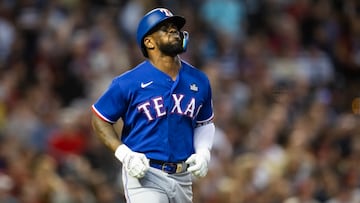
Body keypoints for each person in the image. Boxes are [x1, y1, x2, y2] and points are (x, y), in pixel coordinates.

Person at [91, 7, 215, 203]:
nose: (173, 30)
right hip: (145, 174)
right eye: (165, 28)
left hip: (183, 176)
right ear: (149, 42)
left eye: (175, 27)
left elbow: (204, 123)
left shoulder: (199, 80)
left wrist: (203, 152)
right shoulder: (128, 82)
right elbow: (100, 119)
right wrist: (125, 154)